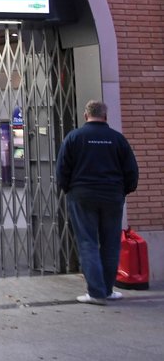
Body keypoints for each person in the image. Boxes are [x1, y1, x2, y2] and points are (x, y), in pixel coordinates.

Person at [56, 99, 139, 306]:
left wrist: (69, 189)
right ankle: (108, 290)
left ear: (86, 116)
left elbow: (62, 169)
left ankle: (95, 292)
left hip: (82, 195)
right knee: (111, 243)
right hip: (112, 196)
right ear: (105, 116)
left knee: (88, 242)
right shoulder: (117, 139)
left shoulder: (74, 137)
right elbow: (131, 171)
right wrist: (123, 191)